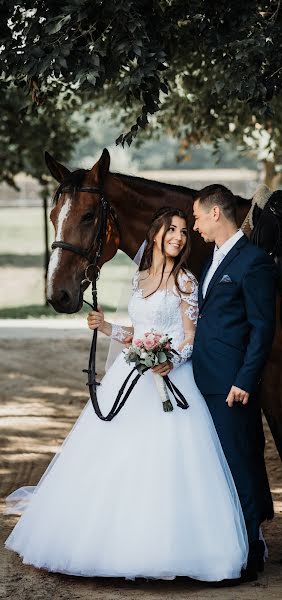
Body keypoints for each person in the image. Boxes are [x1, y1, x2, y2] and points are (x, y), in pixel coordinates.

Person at [4, 206, 248, 583]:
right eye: (172, 229)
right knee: (115, 458)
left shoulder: (186, 282)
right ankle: (105, 543)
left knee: (168, 463)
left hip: (172, 378)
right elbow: (136, 333)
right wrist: (106, 327)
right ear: (156, 235)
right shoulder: (139, 280)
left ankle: (170, 549)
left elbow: (190, 338)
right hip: (131, 377)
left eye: (184, 231)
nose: (179, 237)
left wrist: (169, 359)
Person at [192, 184, 277, 583]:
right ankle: (234, 545)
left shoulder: (253, 261)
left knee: (241, 463)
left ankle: (251, 553)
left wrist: (245, 379)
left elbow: (263, 329)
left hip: (232, 384)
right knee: (220, 465)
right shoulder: (211, 261)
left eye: (196, 217)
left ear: (215, 213)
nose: (193, 227)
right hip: (204, 380)